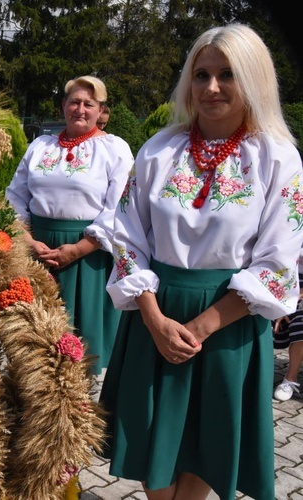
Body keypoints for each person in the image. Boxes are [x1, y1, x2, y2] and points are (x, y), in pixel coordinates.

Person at [99, 24, 303, 500]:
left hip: (229, 325)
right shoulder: (159, 150)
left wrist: (205, 325)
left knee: (204, 453)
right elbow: (127, 237)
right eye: (201, 74)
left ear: (254, 79)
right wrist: (153, 318)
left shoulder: (277, 157)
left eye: (227, 74)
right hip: (157, 318)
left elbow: (279, 260)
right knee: (156, 457)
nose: (211, 87)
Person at [5, 75, 133, 374]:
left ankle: (80, 403)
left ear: (101, 110)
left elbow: (119, 207)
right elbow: (15, 196)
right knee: (34, 342)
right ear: (64, 106)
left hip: (88, 255)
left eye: (89, 104)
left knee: (82, 347)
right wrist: (27, 240)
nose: (80, 109)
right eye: (74, 102)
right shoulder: (40, 146)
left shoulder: (114, 149)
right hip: (37, 251)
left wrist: (78, 249)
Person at [272, 247, 303, 401]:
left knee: (300, 324)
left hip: (299, 291)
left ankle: (291, 377)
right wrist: (281, 302)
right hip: (286, 280)